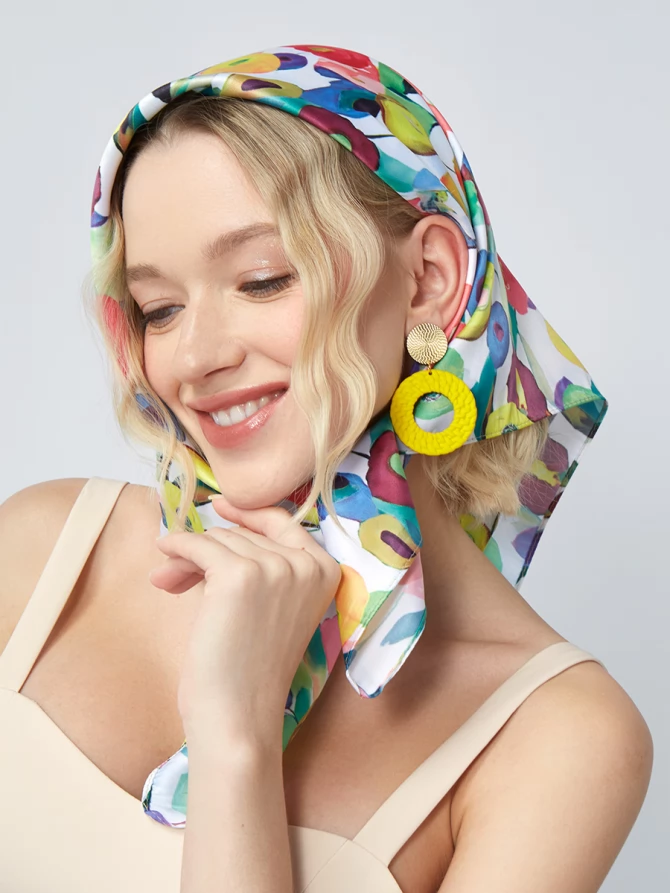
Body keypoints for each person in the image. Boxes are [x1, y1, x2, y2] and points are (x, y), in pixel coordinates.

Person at [0, 44, 653, 893]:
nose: (193, 357)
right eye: (159, 308)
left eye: (262, 280)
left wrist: (237, 731)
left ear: (428, 279)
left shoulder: (557, 737)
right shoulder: (43, 556)